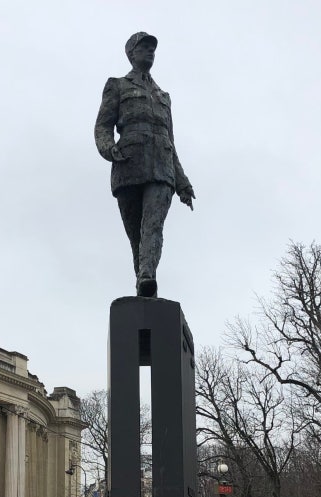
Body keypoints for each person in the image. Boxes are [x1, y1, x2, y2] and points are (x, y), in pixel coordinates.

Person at [94, 32, 195, 298]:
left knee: (153, 226)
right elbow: (103, 126)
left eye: (153, 48)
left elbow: (171, 141)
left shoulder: (163, 96)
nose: (151, 52)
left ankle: (147, 275)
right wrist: (109, 148)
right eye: (145, 47)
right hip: (128, 165)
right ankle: (143, 280)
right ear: (131, 53)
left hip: (162, 169)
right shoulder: (117, 85)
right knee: (136, 236)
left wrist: (183, 183)